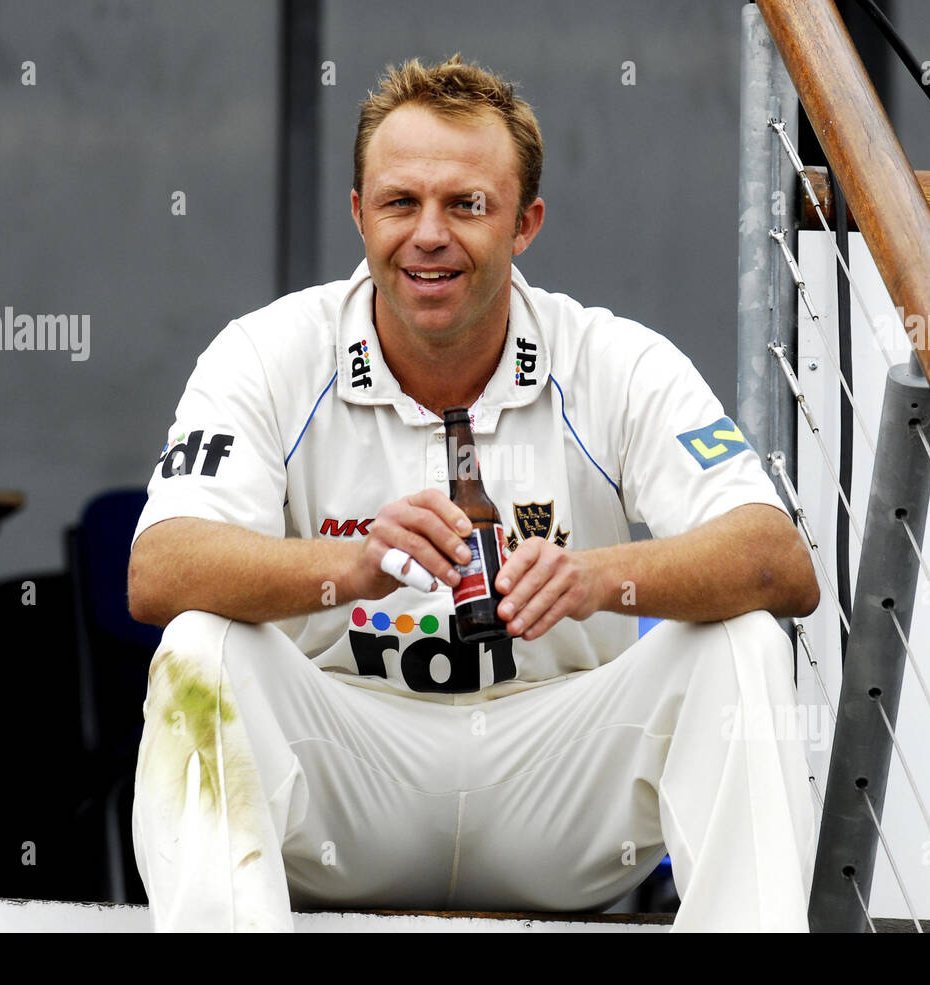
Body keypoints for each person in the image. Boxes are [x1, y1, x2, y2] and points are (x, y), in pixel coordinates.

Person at [127, 54, 820, 932]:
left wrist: (597, 578)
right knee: (200, 646)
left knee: (745, 645)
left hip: (557, 784)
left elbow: (777, 558)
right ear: (357, 214)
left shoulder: (615, 358)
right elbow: (159, 569)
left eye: (466, 204)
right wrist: (351, 564)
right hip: (351, 775)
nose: (428, 234)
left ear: (525, 222)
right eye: (399, 202)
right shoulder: (265, 353)